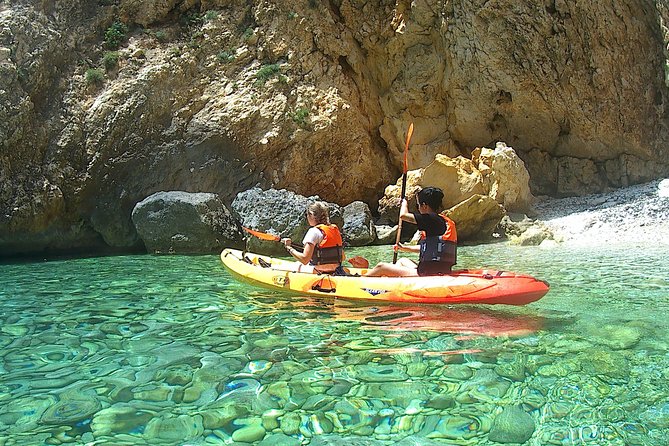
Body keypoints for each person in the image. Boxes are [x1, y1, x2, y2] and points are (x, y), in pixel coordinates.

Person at [365, 187, 457, 277]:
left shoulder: (431, 219)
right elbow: (428, 247)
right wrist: (404, 248)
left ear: (424, 206)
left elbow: (403, 216)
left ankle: (360, 280)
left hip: (428, 273)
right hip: (438, 270)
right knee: (402, 260)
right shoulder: (440, 221)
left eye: (418, 205)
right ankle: (393, 280)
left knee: (381, 267)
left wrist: (404, 203)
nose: (418, 209)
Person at [281, 201, 345, 273]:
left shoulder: (313, 232)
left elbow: (305, 260)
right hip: (336, 270)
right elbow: (342, 257)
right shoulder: (334, 230)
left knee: (280, 267)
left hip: (318, 271)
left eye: (307, 215)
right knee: (297, 264)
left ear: (311, 215)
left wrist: (289, 248)